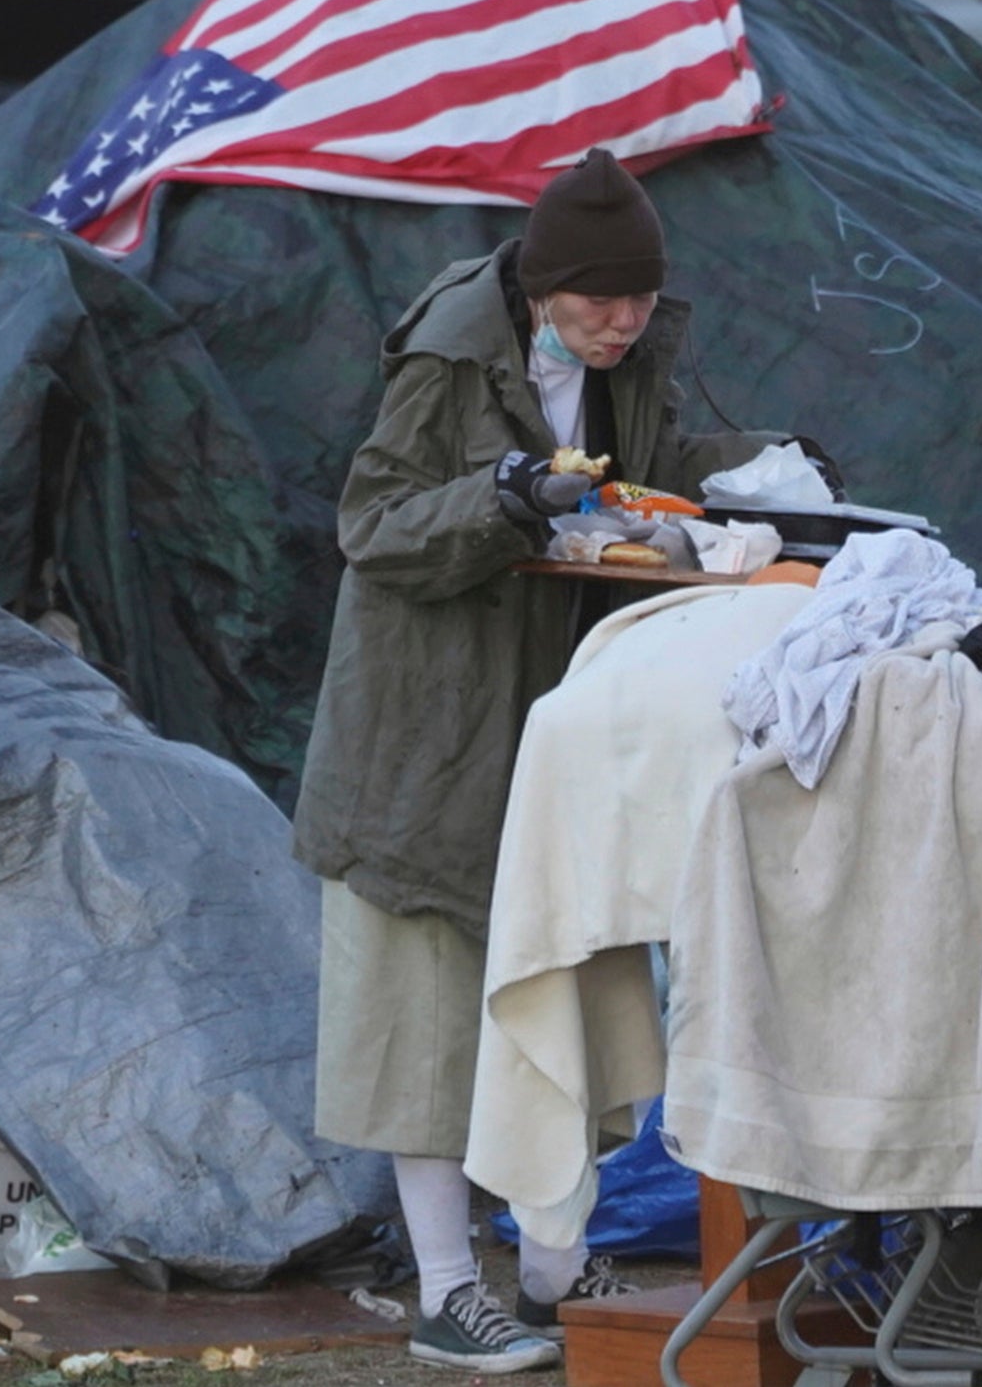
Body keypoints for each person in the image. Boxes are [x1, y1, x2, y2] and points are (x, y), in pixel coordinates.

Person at [291, 149, 795, 1372]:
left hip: (558, 718)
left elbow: (656, 477)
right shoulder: (453, 352)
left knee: (565, 976)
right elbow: (375, 528)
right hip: (424, 725)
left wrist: (771, 466)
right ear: (542, 290)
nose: (620, 326)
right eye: (596, 305)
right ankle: (447, 1288)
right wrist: (505, 492)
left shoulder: (636, 349)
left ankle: (557, 1266)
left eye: (636, 301)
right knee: (425, 1012)